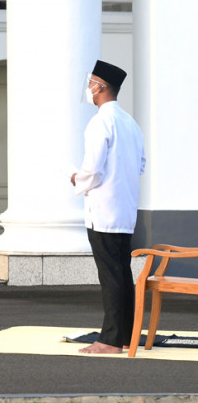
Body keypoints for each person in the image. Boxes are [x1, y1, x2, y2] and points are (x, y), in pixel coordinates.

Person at [71, 59, 146, 355]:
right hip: (125, 209)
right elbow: (141, 165)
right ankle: (126, 336)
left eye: (91, 82)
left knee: (111, 275)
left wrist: (77, 179)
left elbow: (93, 171)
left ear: (100, 86)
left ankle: (111, 341)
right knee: (121, 273)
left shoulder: (101, 121)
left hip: (103, 211)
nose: (88, 87)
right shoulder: (130, 122)